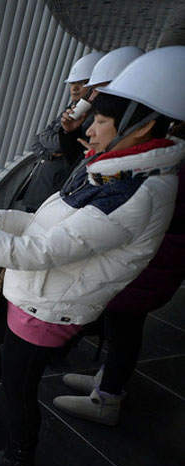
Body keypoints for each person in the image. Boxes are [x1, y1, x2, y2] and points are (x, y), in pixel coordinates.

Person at [0, 46, 185, 466]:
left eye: (101, 123)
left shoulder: (131, 194)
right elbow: (44, 223)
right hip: (39, 295)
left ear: (141, 128)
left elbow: (43, 251)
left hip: (49, 308)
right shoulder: (117, 173)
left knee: (19, 389)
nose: (88, 133)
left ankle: (20, 457)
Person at [53, 124, 185, 425]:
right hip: (159, 259)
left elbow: (137, 199)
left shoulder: (169, 164)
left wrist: (106, 162)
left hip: (153, 262)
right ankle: (109, 380)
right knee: (124, 328)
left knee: (124, 329)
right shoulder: (172, 159)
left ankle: (106, 398)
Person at [16, 52, 104, 212]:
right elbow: (37, 139)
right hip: (43, 184)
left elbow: (59, 144)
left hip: (54, 188)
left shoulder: (91, 116)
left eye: (82, 83)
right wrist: (48, 152)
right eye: (72, 83)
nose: (75, 88)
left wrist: (48, 143)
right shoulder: (73, 107)